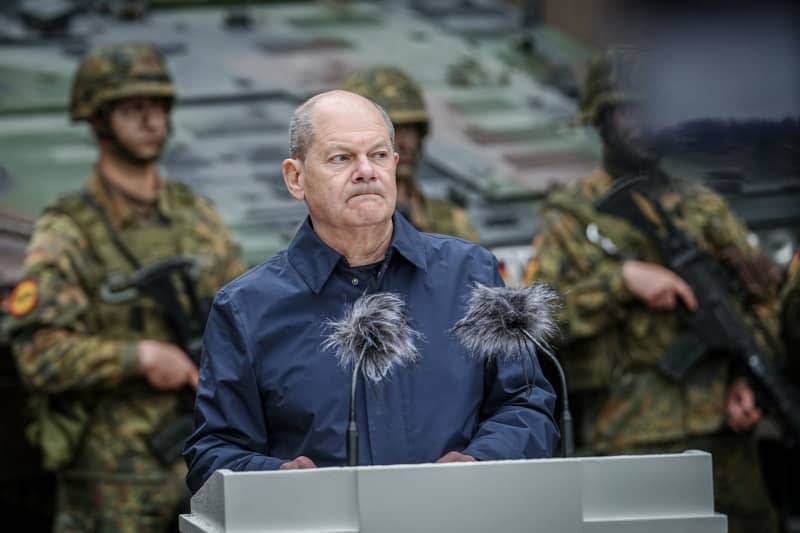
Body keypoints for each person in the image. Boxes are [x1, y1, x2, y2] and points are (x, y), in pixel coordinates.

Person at [183, 90, 558, 493]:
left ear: (395, 166)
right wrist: (278, 481)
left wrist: (481, 460)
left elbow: (527, 404)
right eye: (341, 158)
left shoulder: (469, 274)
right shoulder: (246, 307)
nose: (365, 171)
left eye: (378, 155)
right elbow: (214, 450)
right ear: (296, 178)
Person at [523, 47, 782, 533]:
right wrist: (619, 283)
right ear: (599, 118)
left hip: (720, 431)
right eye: (629, 111)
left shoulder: (703, 208)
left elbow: (766, 297)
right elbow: (537, 320)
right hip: (627, 437)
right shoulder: (570, 217)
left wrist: (754, 381)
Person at [3, 42, 244, 532]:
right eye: (133, 109)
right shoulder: (70, 230)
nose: (151, 121)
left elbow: (252, 322)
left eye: (158, 107)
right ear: (96, 120)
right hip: (114, 481)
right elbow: (38, 354)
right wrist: (141, 358)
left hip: (207, 463)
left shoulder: (196, 217)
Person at [340, 66, 478, 241]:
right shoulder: (329, 232)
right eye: (393, 129)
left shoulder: (451, 222)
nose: (406, 143)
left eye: (411, 130)